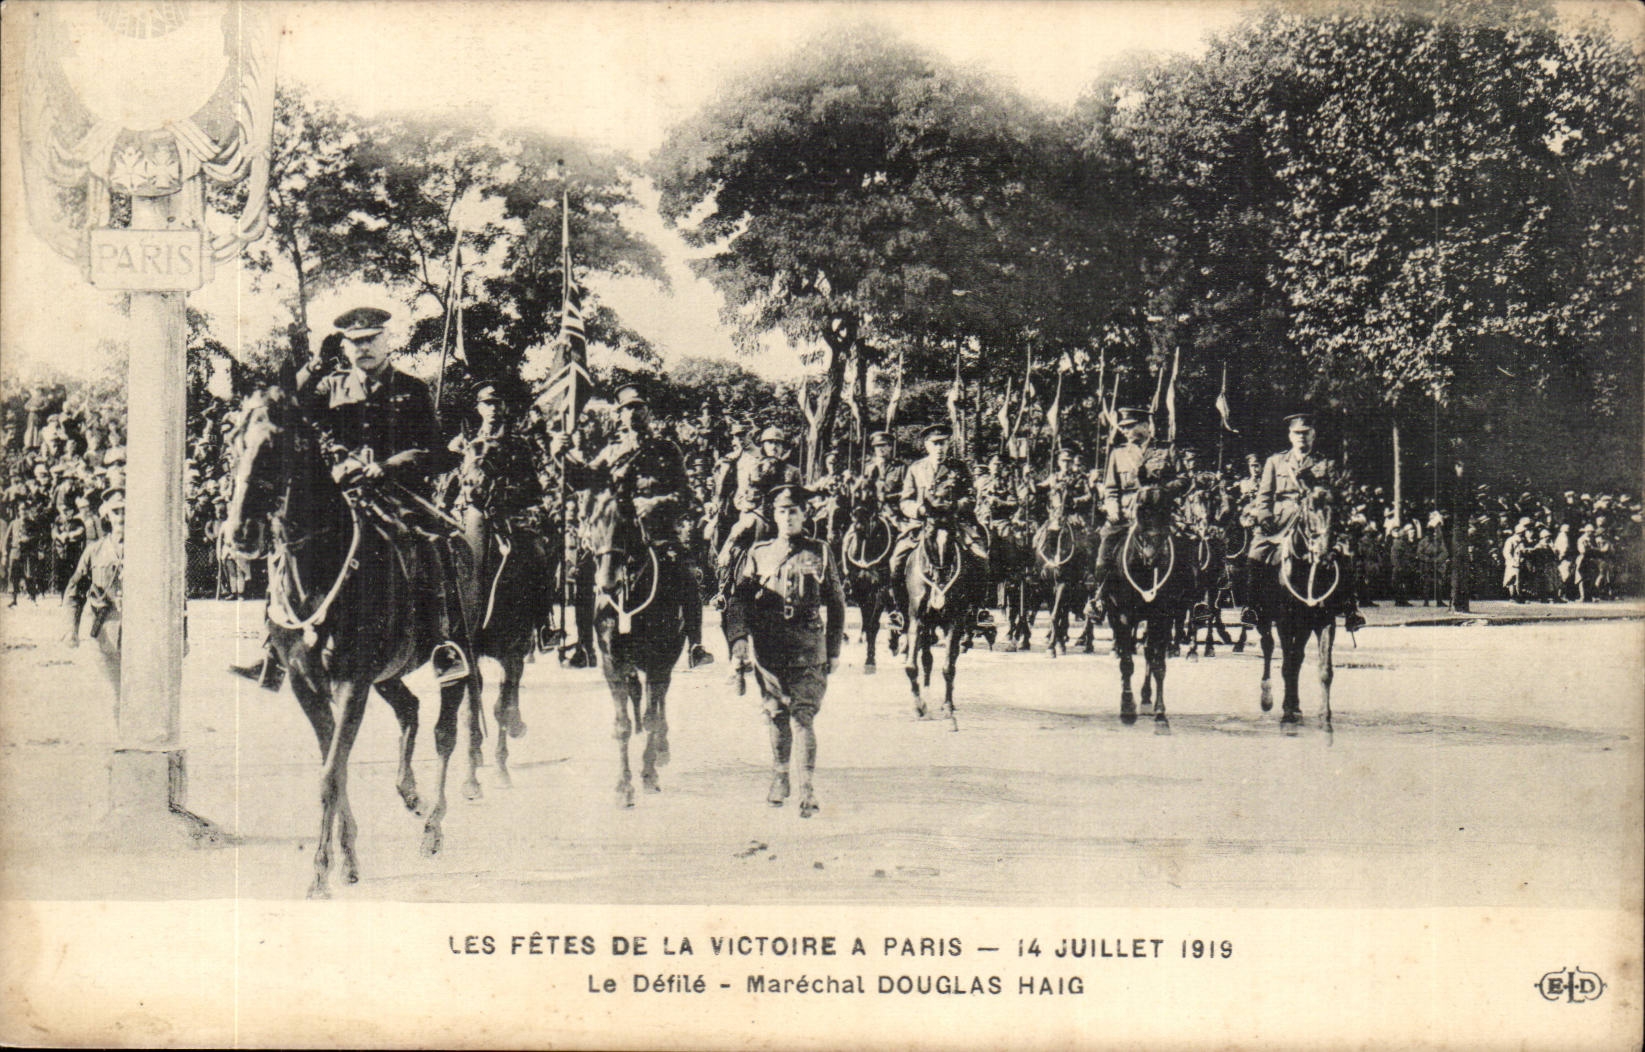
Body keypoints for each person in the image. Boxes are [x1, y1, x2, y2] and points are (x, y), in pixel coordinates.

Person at [230, 307, 472, 689]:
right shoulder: (329, 387)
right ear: (344, 347)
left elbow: (433, 450)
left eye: (371, 339)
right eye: (355, 342)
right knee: (287, 546)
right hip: (339, 491)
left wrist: (389, 466)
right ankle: (275, 648)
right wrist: (315, 365)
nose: (363, 348)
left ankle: (443, 643)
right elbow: (285, 404)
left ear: (387, 341)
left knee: (431, 547)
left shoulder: (412, 389)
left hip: (398, 493)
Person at [553, 383, 713, 669]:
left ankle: (696, 645)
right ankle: (584, 647)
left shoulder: (667, 450)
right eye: (627, 409)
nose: (634, 413)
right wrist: (561, 454)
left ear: (648, 412)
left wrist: (655, 503)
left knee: (687, 574)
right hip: (617, 534)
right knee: (584, 570)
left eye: (639, 407)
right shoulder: (611, 452)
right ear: (619, 415)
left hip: (659, 532)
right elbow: (583, 480)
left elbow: (685, 495)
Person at [724, 483, 846, 818]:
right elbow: (739, 600)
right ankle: (780, 777)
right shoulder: (759, 552)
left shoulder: (820, 551)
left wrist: (833, 649)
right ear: (774, 516)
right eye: (782, 511)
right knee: (776, 713)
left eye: (794, 511)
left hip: (808, 646)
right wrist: (739, 638)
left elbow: (836, 603)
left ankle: (807, 788)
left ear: (804, 515)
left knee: (803, 715)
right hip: (770, 646)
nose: (788, 517)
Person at [1244, 413, 1365, 631]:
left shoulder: (1325, 463)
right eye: (1297, 433)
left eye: (1306, 433)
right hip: (1281, 521)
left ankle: (1351, 609)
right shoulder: (1275, 461)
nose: (1301, 437)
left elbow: (1336, 496)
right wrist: (1264, 516)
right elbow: (1264, 495)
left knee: (1345, 552)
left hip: (1317, 519)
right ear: (1290, 435)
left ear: (1313, 435)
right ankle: (1252, 607)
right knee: (1256, 552)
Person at [887, 422, 988, 621]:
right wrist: (919, 509)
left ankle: (978, 610)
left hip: (955, 524)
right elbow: (905, 500)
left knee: (981, 558)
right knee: (896, 561)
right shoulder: (916, 468)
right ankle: (900, 611)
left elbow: (970, 497)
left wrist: (956, 506)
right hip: (922, 526)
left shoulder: (959, 467)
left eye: (943, 443)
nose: (939, 448)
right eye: (935, 443)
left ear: (948, 444)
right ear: (927, 445)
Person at [1093, 407, 1182, 605]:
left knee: (1185, 552)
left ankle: (1189, 600)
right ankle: (1099, 600)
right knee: (1103, 556)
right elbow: (1111, 489)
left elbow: (1183, 479)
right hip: (1126, 517)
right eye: (1123, 427)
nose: (1124, 430)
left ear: (1145, 425)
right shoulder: (1118, 453)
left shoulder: (1166, 449)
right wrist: (1113, 509)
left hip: (1160, 516)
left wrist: (1161, 490)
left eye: (1129, 426)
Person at [717, 425, 802, 600]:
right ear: (763, 445)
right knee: (739, 534)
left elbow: (800, 498)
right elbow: (740, 495)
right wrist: (747, 505)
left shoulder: (793, 471)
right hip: (758, 514)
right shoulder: (753, 467)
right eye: (770, 442)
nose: (774, 446)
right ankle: (724, 587)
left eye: (778, 443)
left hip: (783, 517)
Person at [63, 490, 124, 684]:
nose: (121, 517)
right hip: (104, 632)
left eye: (126, 511)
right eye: (116, 512)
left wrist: (183, 636)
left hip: (140, 634)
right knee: (112, 693)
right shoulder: (95, 550)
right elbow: (74, 591)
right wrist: (71, 628)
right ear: (107, 515)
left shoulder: (148, 550)